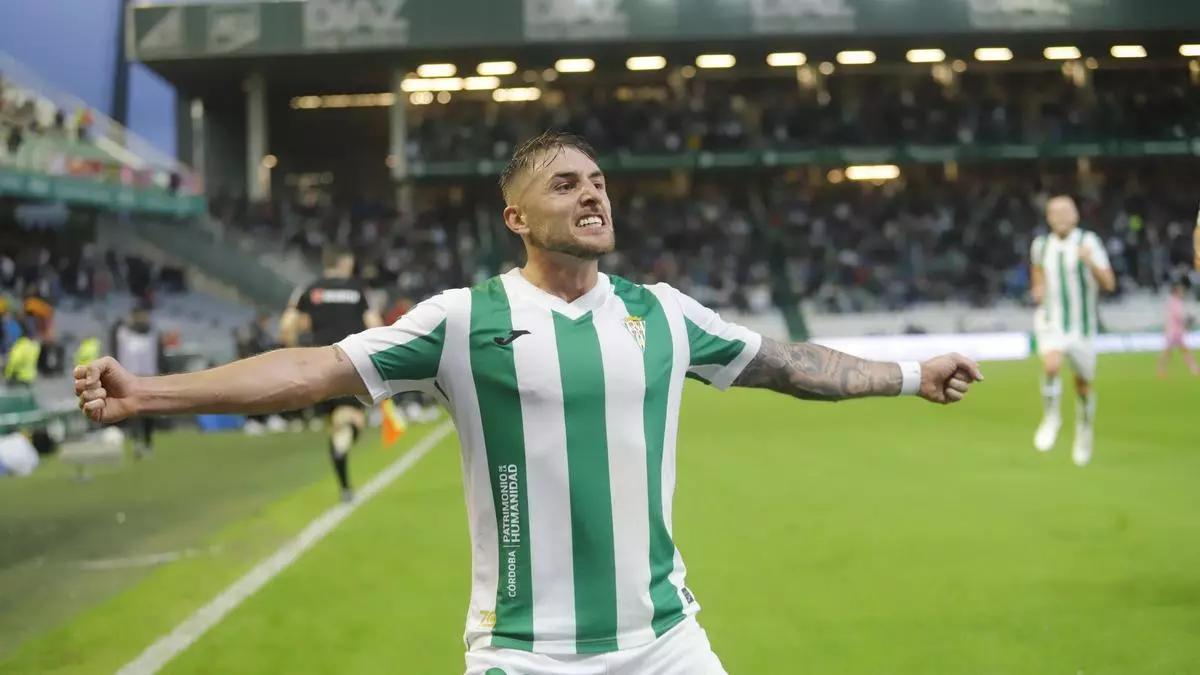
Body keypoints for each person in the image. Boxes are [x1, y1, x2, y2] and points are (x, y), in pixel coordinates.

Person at [75, 132, 983, 675]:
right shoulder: (461, 320)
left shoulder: (664, 313)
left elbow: (789, 363)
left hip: (665, 641)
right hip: (525, 650)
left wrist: (912, 374)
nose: (593, 193)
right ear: (516, 217)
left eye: (599, 182)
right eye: (565, 183)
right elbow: (311, 370)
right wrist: (148, 390)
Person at [280, 246, 382, 502]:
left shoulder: (308, 289)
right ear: (346, 262)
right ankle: (342, 450)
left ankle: (345, 485)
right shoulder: (358, 290)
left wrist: (297, 356)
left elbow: (287, 327)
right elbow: (376, 326)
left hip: (319, 367)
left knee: (336, 421)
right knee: (351, 421)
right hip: (350, 364)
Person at [1029, 194, 1116, 466]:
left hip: (1082, 327)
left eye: (1066, 212)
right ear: (1048, 218)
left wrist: (1089, 262)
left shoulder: (1088, 242)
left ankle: (1084, 428)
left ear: (1076, 215)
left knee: (1082, 385)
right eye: (1055, 213)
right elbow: (1037, 272)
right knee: (1051, 365)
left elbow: (1109, 283)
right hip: (1051, 322)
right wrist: (1038, 288)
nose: (1061, 217)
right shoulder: (1041, 245)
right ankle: (1052, 417)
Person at [111, 301, 164, 458]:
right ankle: (137, 441)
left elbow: (159, 355)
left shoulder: (153, 333)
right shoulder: (123, 333)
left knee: (149, 412)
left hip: (149, 377)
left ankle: (148, 441)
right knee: (133, 412)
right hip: (131, 377)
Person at [1158, 282, 1197, 377]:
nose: (1182, 292)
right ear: (1176, 291)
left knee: (1180, 350)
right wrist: (1189, 319)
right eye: (1180, 291)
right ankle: (1161, 369)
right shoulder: (1173, 302)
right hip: (1173, 331)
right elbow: (1178, 316)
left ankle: (1194, 369)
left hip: (1177, 331)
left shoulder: (1176, 302)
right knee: (1169, 352)